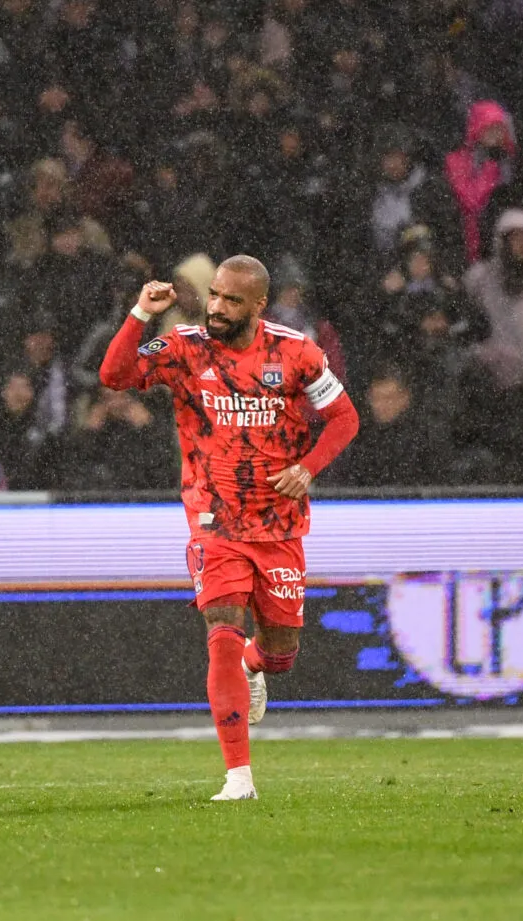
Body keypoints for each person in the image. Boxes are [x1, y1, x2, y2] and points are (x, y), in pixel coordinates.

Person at [99, 256, 359, 801]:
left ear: (259, 305)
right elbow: (115, 375)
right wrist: (140, 314)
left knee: (281, 651)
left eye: (231, 301)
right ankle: (238, 777)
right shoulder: (184, 348)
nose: (217, 307)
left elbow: (345, 418)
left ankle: (254, 663)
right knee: (221, 632)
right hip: (213, 517)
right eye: (214, 295)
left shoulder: (297, 352)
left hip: (278, 523)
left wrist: (307, 469)